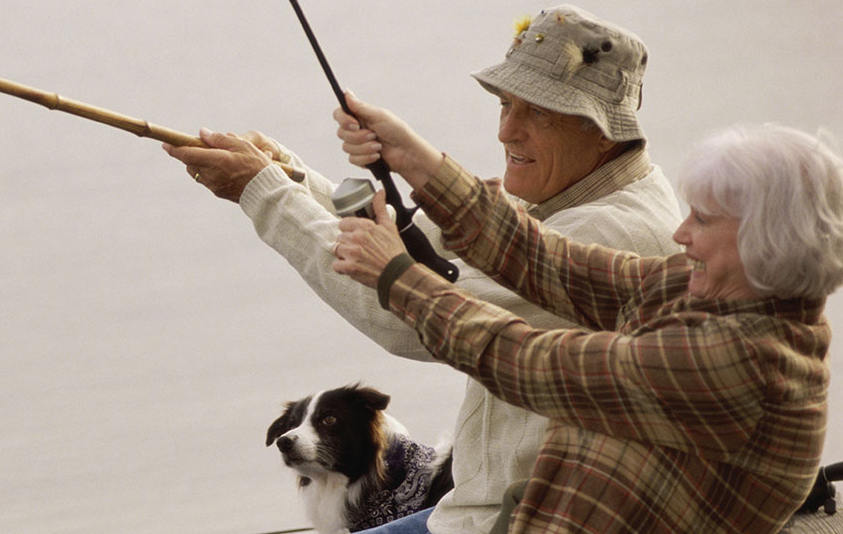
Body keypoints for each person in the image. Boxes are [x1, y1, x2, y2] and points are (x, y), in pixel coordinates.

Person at [165, 5, 682, 532]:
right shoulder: (573, 192)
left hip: (528, 516)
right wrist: (291, 178)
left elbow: (409, 314)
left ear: (605, 130)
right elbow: (435, 250)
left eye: (539, 114)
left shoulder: (610, 232)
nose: (507, 132)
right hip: (484, 501)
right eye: (505, 105)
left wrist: (263, 193)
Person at [332, 115, 843, 532]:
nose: (681, 232)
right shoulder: (725, 297)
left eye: (703, 220)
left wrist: (399, 276)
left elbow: (532, 363)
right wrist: (416, 160)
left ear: (765, 239)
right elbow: (553, 263)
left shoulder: (741, 362)